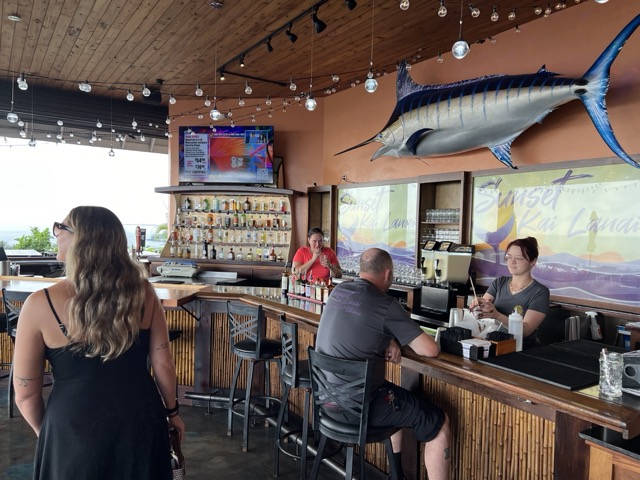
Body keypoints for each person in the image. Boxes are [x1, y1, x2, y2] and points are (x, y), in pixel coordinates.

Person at [12, 206, 185, 479]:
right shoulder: (144, 293)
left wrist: (50, 432)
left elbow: (24, 394)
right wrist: (172, 413)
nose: (56, 233)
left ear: (81, 240)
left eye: (61, 227)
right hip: (139, 416)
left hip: (71, 422)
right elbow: (163, 362)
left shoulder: (39, 305)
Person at [315, 248, 450, 480]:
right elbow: (430, 349)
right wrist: (392, 336)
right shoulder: (386, 304)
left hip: (326, 401)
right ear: (388, 275)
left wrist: (388, 338)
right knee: (439, 424)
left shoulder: (339, 290)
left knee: (394, 398)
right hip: (359, 409)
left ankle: (396, 474)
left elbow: (359, 325)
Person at [469, 236, 550, 349]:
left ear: (532, 261)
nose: (512, 262)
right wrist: (479, 304)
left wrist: (497, 315)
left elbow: (525, 330)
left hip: (522, 349)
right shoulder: (500, 282)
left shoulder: (540, 292)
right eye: (508, 257)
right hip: (493, 345)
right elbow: (486, 304)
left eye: (519, 258)